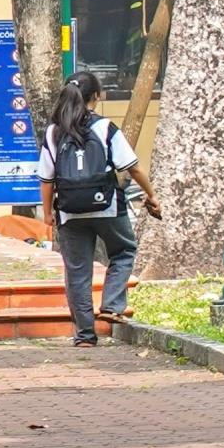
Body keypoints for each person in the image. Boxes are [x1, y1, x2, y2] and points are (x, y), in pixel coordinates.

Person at [43, 73, 159, 345]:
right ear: (97, 96)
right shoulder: (105, 127)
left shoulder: (54, 131)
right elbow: (133, 166)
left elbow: (46, 179)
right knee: (124, 250)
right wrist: (151, 194)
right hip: (107, 205)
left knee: (77, 271)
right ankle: (111, 305)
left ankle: (84, 335)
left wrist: (48, 213)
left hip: (69, 211)